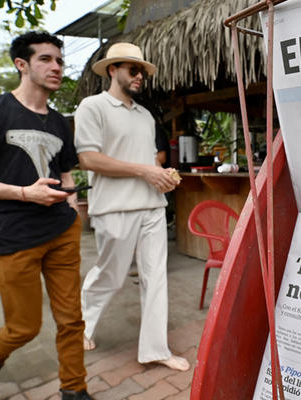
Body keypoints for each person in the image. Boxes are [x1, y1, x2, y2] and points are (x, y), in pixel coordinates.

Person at [0, 31, 93, 400]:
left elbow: (65, 174)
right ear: (21, 64)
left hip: (62, 232)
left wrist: (72, 207)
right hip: (13, 237)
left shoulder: (61, 122)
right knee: (23, 327)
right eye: (46, 59)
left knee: (72, 320)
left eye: (59, 60)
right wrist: (25, 193)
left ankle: (74, 390)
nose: (56, 67)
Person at [73, 42, 189, 371]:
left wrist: (161, 175)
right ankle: (81, 326)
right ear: (113, 70)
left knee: (156, 279)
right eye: (133, 69)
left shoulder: (146, 116)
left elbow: (146, 161)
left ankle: (156, 349)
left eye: (142, 71)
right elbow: (89, 159)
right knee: (111, 275)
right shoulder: (92, 107)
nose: (140, 76)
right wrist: (146, 171)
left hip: (152, 206)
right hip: (114, 207)